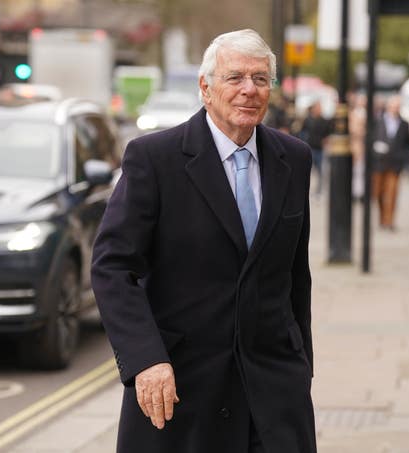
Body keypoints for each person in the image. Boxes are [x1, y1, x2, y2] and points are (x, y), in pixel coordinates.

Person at [91, 29, 316, 453]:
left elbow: (294, 274)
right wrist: (146, 359)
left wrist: (301, 363)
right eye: (235, 78)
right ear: (205, 88)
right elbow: (112, 266)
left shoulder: (295, 158)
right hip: (182, 391)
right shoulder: (154, 159)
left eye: (260, 78)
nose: (249, 90)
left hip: (274, 394)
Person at [371, 95, 409, 231]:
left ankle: (389, 220)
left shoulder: (405, 124)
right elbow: (371, 139)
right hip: (379, 162)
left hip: (395, 164)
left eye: (397, 106)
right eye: (393, 106)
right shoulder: (378, 121)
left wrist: (406, 161)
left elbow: (408, 144)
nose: (395, 109)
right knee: (379, 193)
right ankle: (383, 217)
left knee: (392, 192)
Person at [300, 100, 331, 196]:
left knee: (320, 170)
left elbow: (328, 132)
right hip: (309, 148)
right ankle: (305, 189)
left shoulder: (324, 120)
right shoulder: (308, 119)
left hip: (319, 148)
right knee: (306, 170)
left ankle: (319, 190)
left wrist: (326, 140)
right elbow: (302, 131)